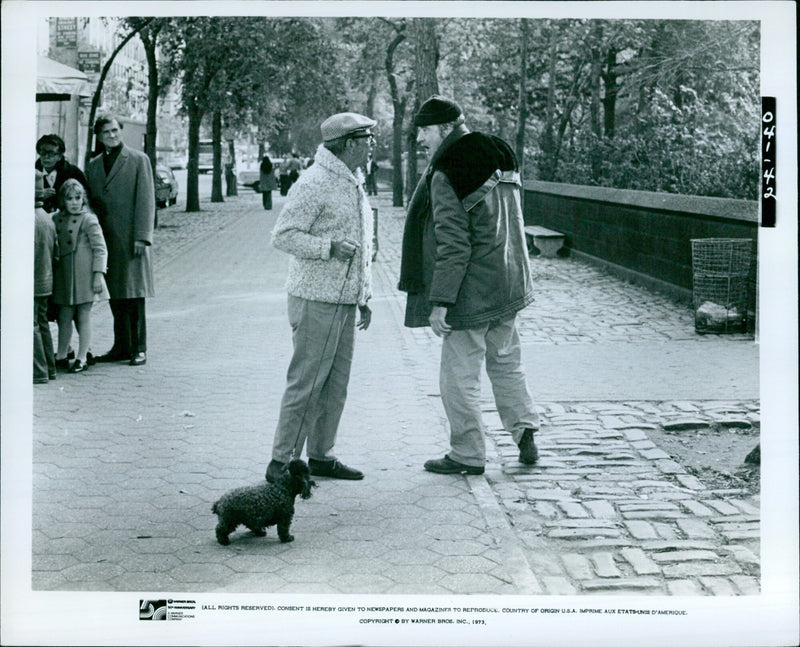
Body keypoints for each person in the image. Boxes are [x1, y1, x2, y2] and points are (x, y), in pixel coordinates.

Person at [398, 95, 540, 475]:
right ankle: (525, 430)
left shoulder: (447, 170)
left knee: (458, 377)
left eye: (425, 132)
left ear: (445, 129)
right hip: (508, 279)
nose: (421, 140)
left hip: (471, 292)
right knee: (507, 361)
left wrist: (440, 301)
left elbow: (454, 244)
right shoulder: (500, 150)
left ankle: (467, 453)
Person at [265, 112, 376, 484]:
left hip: (343, 301)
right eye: (366, 140)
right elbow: (283, 235)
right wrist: (327, 247)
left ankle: (321, 455)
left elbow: (362, 242)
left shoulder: (351, 180)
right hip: (315, 299)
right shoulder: (314, 182)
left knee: (335, 384)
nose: (371, 146)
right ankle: (281, 462)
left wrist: (364, 295)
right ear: (347, 145)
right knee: (307, 382)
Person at [86, 116, 156, 367]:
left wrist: (142, 237)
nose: (112, 135)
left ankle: (139, 348)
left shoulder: (138, 160)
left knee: (134, 295)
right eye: (106, 132)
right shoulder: (94, 165)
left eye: (115, 130)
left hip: (130, 239)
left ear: (121, 131)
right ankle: (121, 346)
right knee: (115, 295)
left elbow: (147, 202)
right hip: (106, 241)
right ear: (99, 136)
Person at [51, 179, 110, 374]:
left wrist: (97, 274)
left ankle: (82, 356)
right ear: (63, 200)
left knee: (83, 315)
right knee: (64, 315)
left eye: (78, 198)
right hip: (64, 276)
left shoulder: (89, 219)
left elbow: (100, 249)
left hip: (85, 276)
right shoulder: (57, 219)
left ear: (83, 199)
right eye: (69, 199)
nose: (74, 202)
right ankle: (61, 354)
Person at [34, 171, 58, 383]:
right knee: (42, 324)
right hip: (45, 280)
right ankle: (49, 368)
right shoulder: (46, 218)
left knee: (32, 325)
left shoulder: (30, 219)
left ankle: (39, 371)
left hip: (33, 283)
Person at [35, 134, 90, 214]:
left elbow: (86, 200)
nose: (46, 157)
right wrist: (38, 195)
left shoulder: (74, 173)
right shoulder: (31, 173)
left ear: (60, 156)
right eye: (43, 152)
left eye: (51, 153)